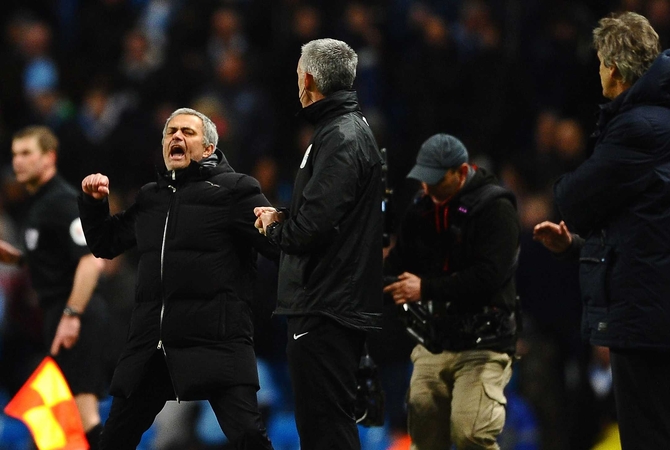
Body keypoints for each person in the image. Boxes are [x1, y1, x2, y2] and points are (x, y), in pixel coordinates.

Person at [532, 12, 670, 450]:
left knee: (647, 433)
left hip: (642, 310)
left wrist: (564, 174)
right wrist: (575, 244)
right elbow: (643, 223)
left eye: (598, 63)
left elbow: (576, 199)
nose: (597, 72)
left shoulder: (636, 127)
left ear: (612, 68)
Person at [78, 108, 276, 450]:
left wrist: (279, 225)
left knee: (248, 437)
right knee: (113, 440)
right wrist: (95, 205)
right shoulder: (150, 197)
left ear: (209, 149)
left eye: (187, 132)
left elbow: (278, 246)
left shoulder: (236, 190)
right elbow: (105, 243)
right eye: (171, 132)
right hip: (155, 349)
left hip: (216, 342)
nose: (177, 137)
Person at [253, 38, 383, 450]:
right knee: (325, 427)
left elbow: (312, 227)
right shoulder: (344, 130)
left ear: (308, 80)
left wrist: (274, 226)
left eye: (297, 77)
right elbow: (328, 216)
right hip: (332, 299)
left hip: (324, 303)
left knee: (325, 428)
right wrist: (285, 220)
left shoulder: (340, 137)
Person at [383, 133, 520, 449]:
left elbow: (490, 276)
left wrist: (426, 288)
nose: (427, 188)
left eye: (436, 180)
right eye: (424, 180)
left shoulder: (494, 208)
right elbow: (397, 265)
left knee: (470, 433)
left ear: (461, 171)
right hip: (434, 339)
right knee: (424, 436)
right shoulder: (421, 209)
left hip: (483, 342)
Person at [0, 125, 109, 449]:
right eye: (15, 154)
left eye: (26, 153)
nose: (18, 161)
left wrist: (72, 315)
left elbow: (91, 262)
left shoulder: (61, 201)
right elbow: (58, 262)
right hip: (58, 316)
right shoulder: (39, 205)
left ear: (49, 158)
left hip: (75, 316)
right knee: (55, 420)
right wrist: (18, 260)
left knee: (81, 413)